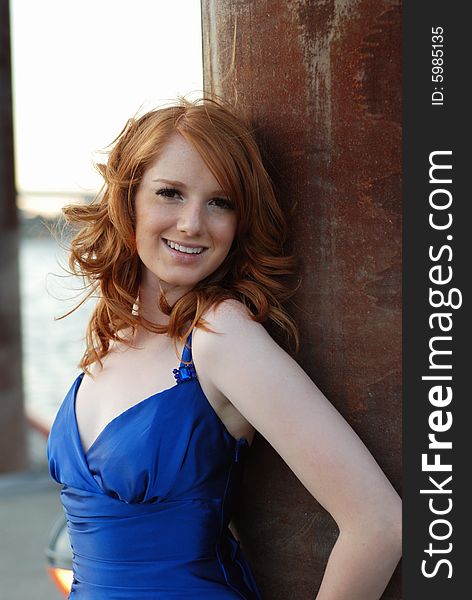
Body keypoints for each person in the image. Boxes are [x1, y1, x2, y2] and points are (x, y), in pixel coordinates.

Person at [47, 96, 402, 599]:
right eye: (170, 193)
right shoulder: (112, 334)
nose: (193, 223)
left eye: (220, 202)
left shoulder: (222, 334)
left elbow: (380, 523)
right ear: (129, 199)